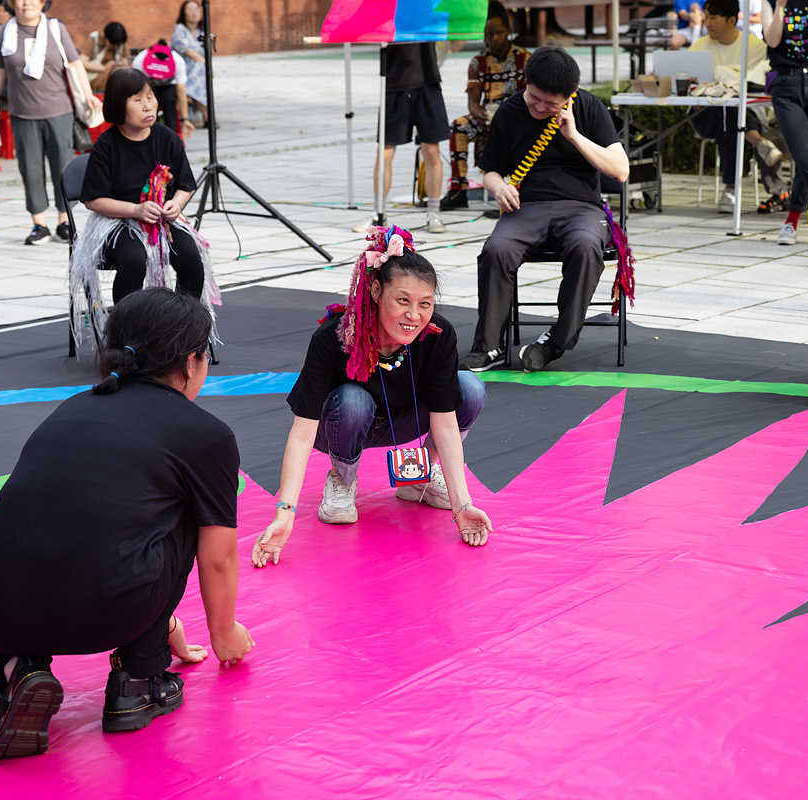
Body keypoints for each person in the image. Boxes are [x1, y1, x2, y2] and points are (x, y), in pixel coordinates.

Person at [0, 288, 253, 760]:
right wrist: (224, 631)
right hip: (107, 606)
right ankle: (138, 681)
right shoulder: (205, 434)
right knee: (191, 516)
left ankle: (18, 671)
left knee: (4, 534)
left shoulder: (71, 409)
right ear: (191, 361)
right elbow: (219, 557)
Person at [254, 226, 492, 563]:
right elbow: (302, 432)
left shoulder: (437, 335)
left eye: (425, 304)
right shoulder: (335, 337)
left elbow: (446, 423)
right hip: (343, 424)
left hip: (406, 421)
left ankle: (420, 480)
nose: (414, 316)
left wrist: (462, 505)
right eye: (403, 301)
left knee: (469, 388)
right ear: (377, 291)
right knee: (353, 401)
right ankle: (342, 478)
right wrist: (285, 512)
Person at [460, 46, 629, 373]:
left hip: (580, 207)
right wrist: (498, 187)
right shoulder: (510, 112)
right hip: (528, 206)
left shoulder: (589, 108)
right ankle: (488, 345)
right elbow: (491, 169)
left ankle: (556, 342)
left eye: (549, 103)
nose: (538, 107)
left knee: (585, 246)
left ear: (570, 95)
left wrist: (574, 135)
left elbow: (620, 170)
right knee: (496, 249)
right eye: (534, 97)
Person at [72, 67, 215, 331]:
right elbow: (93, 200)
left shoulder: (167, 138)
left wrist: (177, 204)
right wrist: (135, 210)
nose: (148, 105)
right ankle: (128, 331)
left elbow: (185, 184)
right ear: (118, 106)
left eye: (150, 97)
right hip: (117, 223)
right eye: (137, 100)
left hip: (162, 221)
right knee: (134, 258)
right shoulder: (107, 145)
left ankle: (185, 326)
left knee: (189, 255)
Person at [0, 0, 101, 246]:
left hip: (58, 111)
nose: (26, 4)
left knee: (63, 167)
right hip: (22, 114)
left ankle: (64, 220)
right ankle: (39, 224)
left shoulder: (56, 28)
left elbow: (75, 64)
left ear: (43, 2)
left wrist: (88, 94)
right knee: (30, 168)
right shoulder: (5, 32)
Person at [689, 0, 785, 213]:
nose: (707, 23)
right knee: (730, 113)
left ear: (732, 20)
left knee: (731, 119)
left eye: (713, 18)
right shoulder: (698, 46)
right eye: (706, 17)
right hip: (703, 115)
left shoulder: (754, 46)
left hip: (743, 113)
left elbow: (762, 81)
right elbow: (685, 81)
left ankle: (730, 190)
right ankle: (757, 141)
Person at [439, 2, 529, 211]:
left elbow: (530, 97)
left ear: (508, 31)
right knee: (459, 126)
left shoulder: (523, 59)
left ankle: (521, 187)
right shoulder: (477, 62)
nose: (493, 39)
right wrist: (477, 112)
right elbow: (473, 101)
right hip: (488, 117)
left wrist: (508, 114)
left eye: (497, 33)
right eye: (488, 34)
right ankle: (458, 189)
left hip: (517, 116)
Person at [762, 0, 808, 247]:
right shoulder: (771, 1)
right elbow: (772, 41)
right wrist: (781, 7)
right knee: (804, 156)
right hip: (785, 83)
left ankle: (792, 221)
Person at [353, 43, 449, 235]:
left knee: (431, 150)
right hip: (394, 83)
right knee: (385, 152)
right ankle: (378, 214)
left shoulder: (426, 12)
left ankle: (433, 213)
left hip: (427, 81)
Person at [131, 39, 195, 139]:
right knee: (158, 111)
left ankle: (168, 137)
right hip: (150, 86)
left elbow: (181, 93)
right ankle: (158, 136)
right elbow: (181, 92)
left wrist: (184, 119)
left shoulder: (141, 58)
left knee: (165, 106)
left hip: (165, 87)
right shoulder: (176, 59)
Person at [171, 1, 207, 126]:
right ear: (183, 13)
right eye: (190, 9)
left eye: (196, 9)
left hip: (198, 70)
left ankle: (191, 98)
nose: (194, 13)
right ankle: (206, 114)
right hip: (181, 68)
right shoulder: (179, 29)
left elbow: (207, 53)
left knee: (201, 69)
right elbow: (188, 52)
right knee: (201, 67)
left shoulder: (202, 32)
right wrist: (206, 65)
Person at [81, 20, 129, 93]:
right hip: (93, 80)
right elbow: (82, 62)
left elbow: (125, 60)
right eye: (113, 44)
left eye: (118, 45)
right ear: (106, 38)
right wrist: (105, 68)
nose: (116, 47)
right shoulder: (94, 39)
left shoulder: (119, 41)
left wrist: (122, 64)